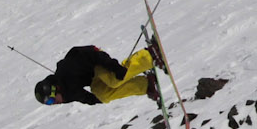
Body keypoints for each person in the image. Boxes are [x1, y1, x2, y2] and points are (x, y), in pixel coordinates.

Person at [34, 45, 162, 107]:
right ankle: (146, 85)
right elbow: (86, 98)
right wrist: (100, 99)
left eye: (51, 100)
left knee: (113, 80)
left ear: (54, 89)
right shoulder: (67, 94)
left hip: (96, 60)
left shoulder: (67, 70)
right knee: (103, 95)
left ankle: (149, 55)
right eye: (49, 104)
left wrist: (114, 67)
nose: (54, 104)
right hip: (94, 77)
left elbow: (91, 54)